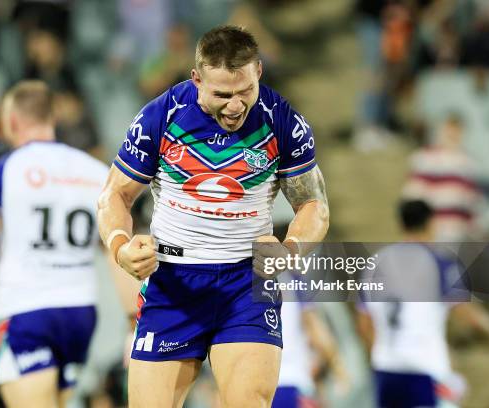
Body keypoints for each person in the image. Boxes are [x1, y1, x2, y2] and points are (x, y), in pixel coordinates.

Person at [97, 25, 329, 407]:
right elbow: (114, 196)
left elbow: (314, 206)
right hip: (173, 283)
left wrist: (291, 249)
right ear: (196, 79)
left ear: (258, 70)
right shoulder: (160, 117)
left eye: (244, 92)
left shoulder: (283, 121)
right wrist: (121, 248)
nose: (235, 106)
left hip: (246, 283)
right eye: (222, 94)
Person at [0, 81, 109, 408]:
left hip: (27, 310)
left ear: (10, 122)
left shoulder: (3, 172)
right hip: (81, 311)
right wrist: (129, 320)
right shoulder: (96, 172)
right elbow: (115, 249)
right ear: (52, 118)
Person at [357, 200, 489, 408]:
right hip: (424, 369)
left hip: (386, 370)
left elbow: (364, 322)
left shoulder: (376, 264)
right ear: (431, 224)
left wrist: (379, 353)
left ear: (401, 224)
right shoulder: (438, 262)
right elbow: (465, 311)